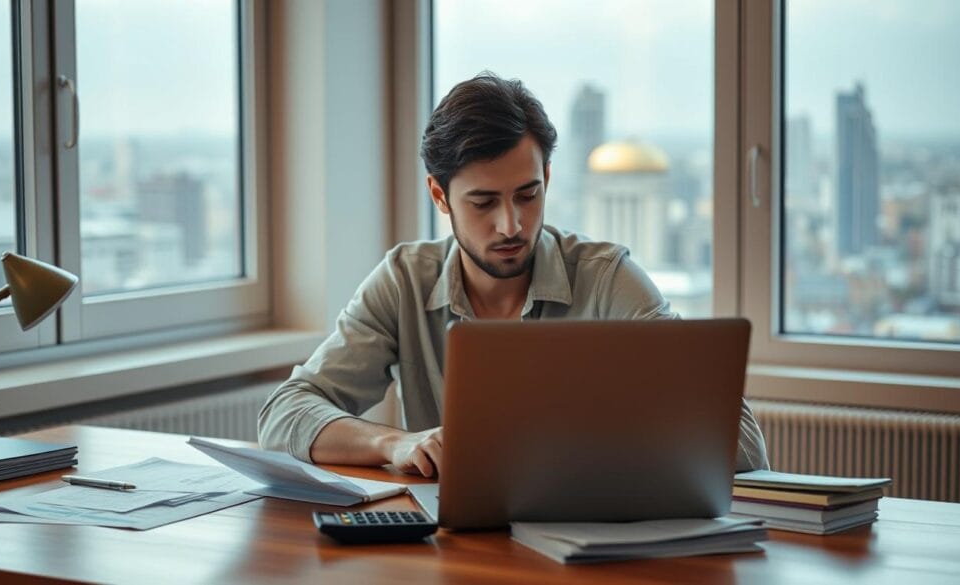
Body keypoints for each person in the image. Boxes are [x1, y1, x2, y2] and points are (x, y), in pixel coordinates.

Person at [258, 73, 770, 477]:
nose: (512, 225)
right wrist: (395, 442)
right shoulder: (404, 281)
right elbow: (284, 415)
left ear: (546, 177)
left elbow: (746, 447)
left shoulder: (608, 279)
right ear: (439, 195)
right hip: (455, 548)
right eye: (483, 202)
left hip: (593, 544)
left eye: (528, 195)